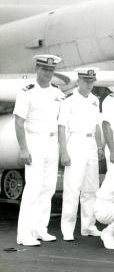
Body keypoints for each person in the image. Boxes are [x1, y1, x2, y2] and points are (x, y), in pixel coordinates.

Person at [14, 54, 65, 246]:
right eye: (45, 69)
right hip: (34, 142)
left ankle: (40, 229)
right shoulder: (27, 92)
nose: (48, 73)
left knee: (48, 188)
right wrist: (23, 148)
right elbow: (19, 122)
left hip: (53, 144)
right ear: (37, 69)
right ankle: (24, 234)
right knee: (33, 189)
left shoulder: (57, 93)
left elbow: (61, 121)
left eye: (51, 70)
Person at [58, 67, 104, 241]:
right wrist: (63, 151)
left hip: (91, 143)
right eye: (86, 81)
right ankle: (67, 229)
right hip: (75, 144)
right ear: (79, 81)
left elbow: (97, 125)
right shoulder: (68, 101)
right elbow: (61, 127)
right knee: (72, 189)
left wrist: (99, 147)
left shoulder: (94, 100)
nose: (89, 84)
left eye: (92, 81)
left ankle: (88, 226)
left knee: (91, 189)